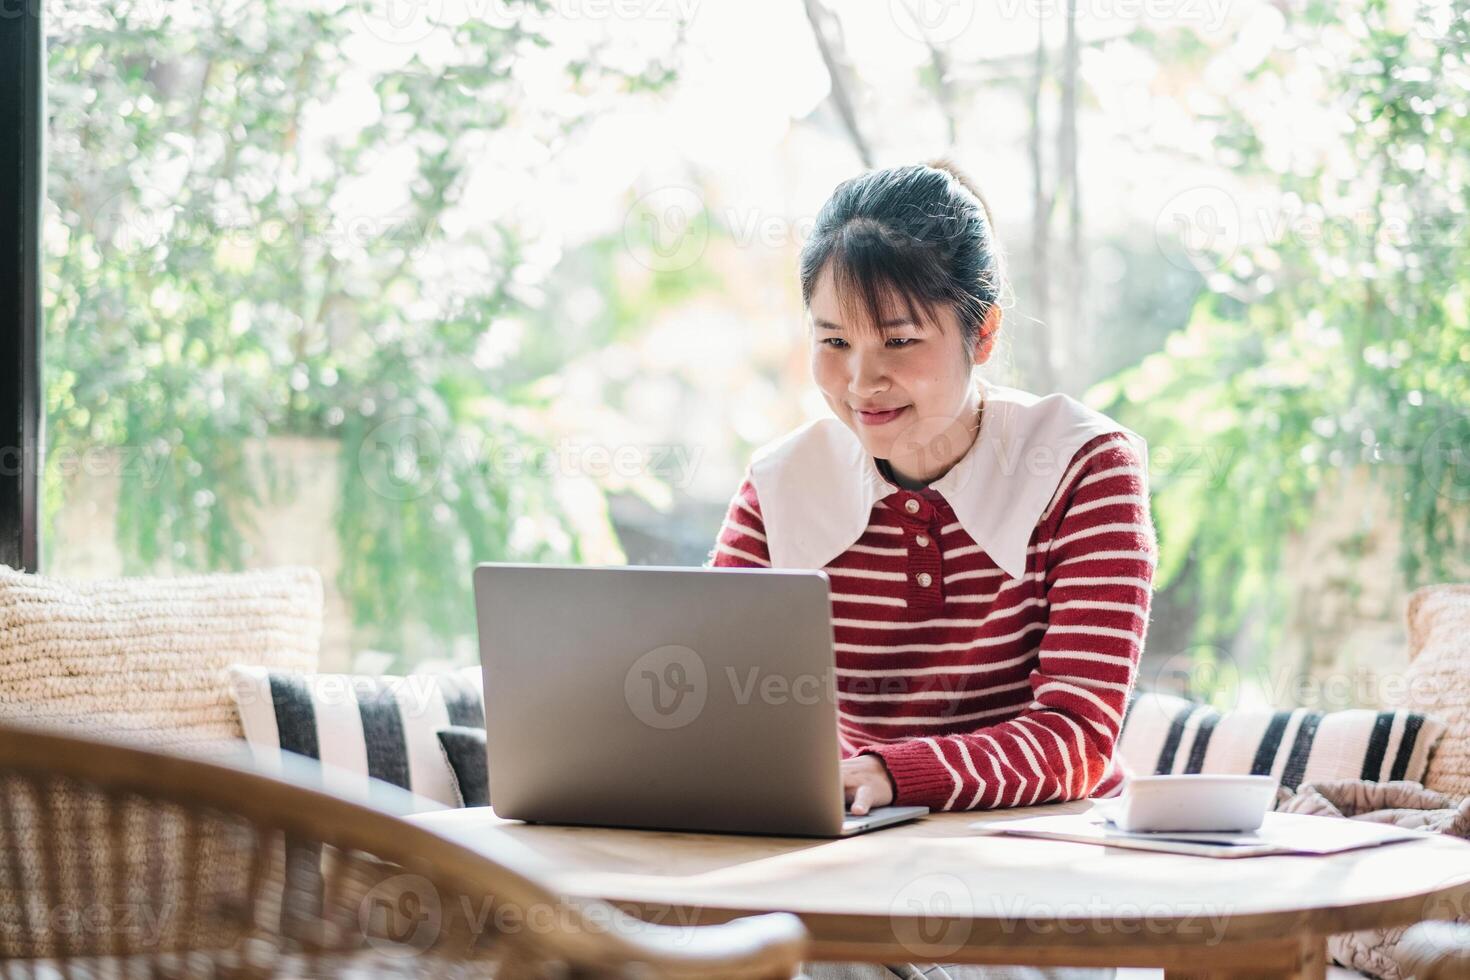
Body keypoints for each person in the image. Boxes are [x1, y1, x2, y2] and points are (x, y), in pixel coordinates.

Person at [707, 160, 1158, 979]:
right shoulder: (780, 487)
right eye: (833, 342)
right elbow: (716, 710)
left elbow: (1079, 741)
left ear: (982, 335)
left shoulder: (1083, 467)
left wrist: (893, 772)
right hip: (835, 872)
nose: (859, 382)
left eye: (900, 343)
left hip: (1028, 880)